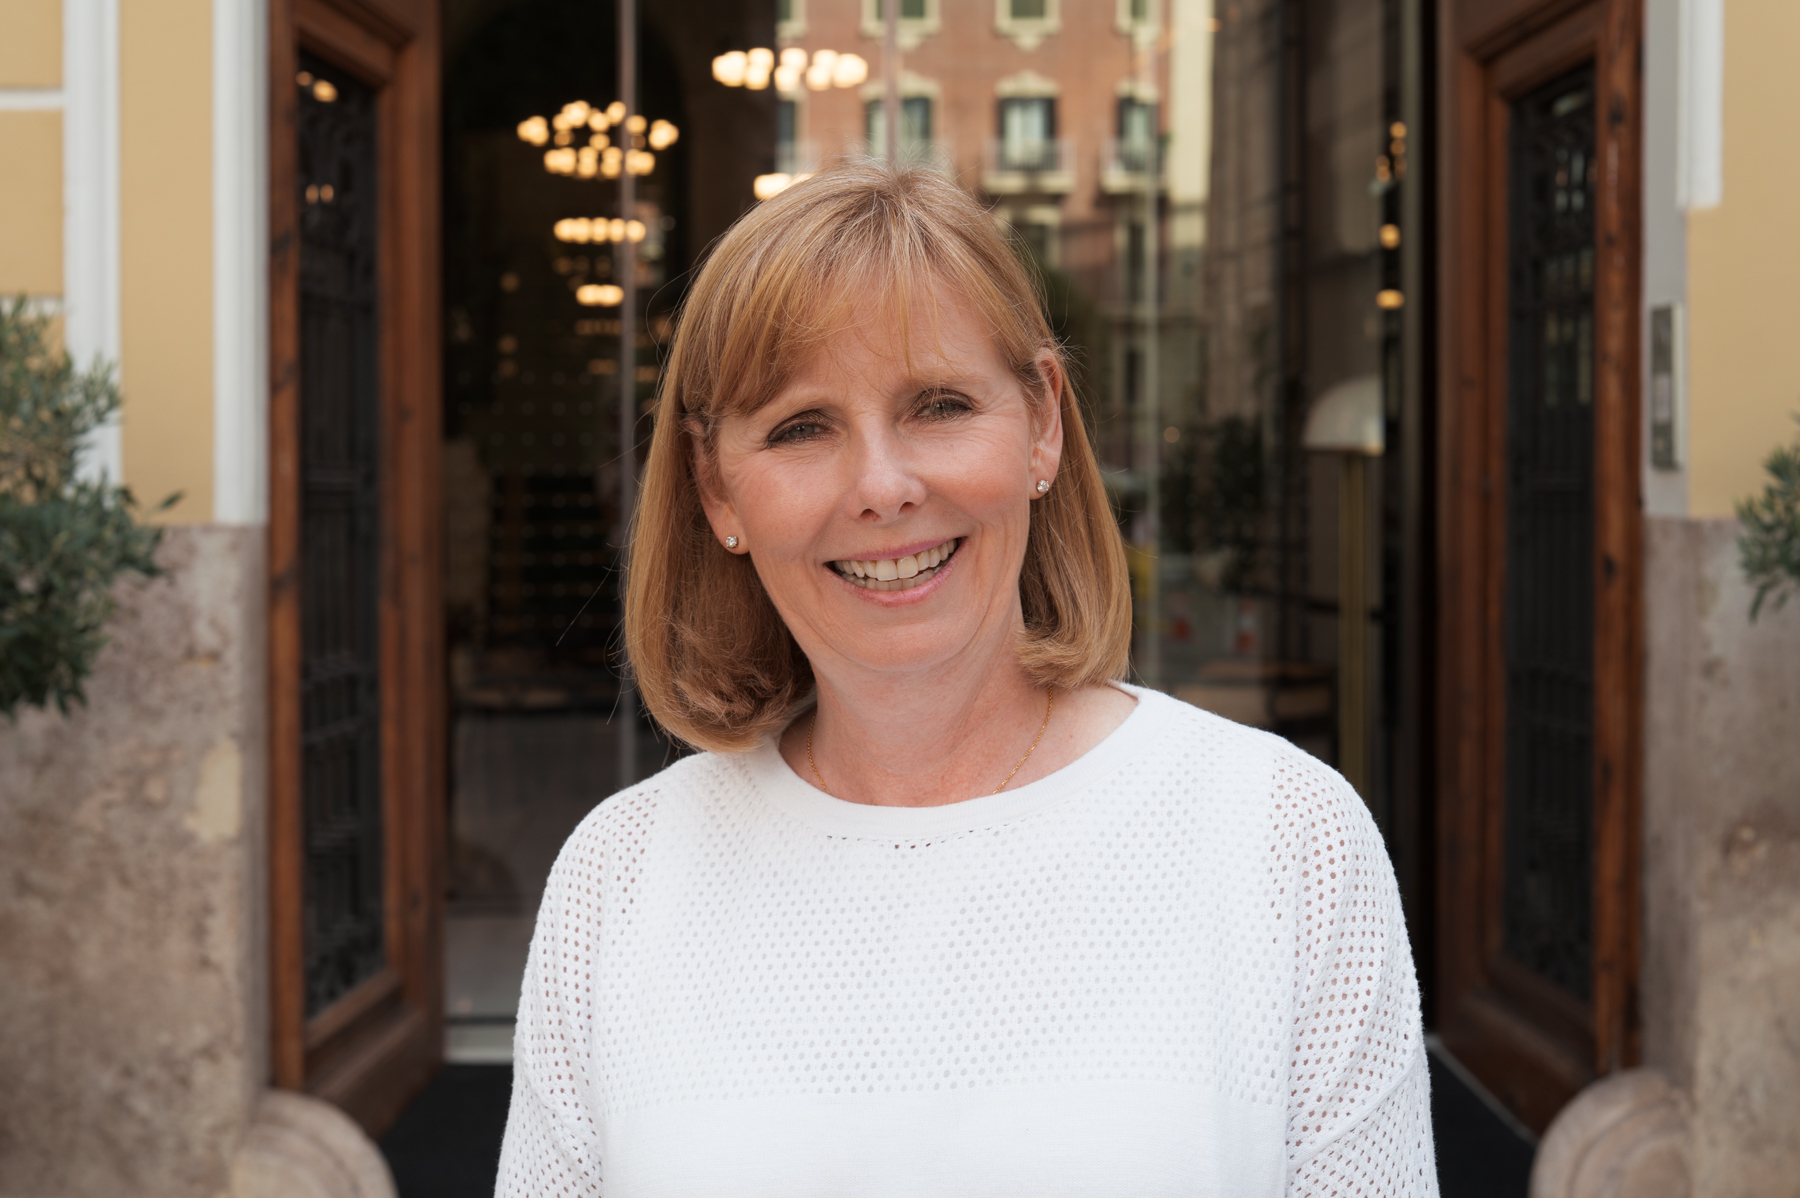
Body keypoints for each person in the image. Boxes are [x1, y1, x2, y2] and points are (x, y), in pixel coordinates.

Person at [496, 161, 1437, 1197]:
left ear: (1042, 421)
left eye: (938, 404)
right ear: (717, 484)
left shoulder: (1281, 839)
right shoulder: (620, 880)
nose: (883, 487)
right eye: (801, 427)